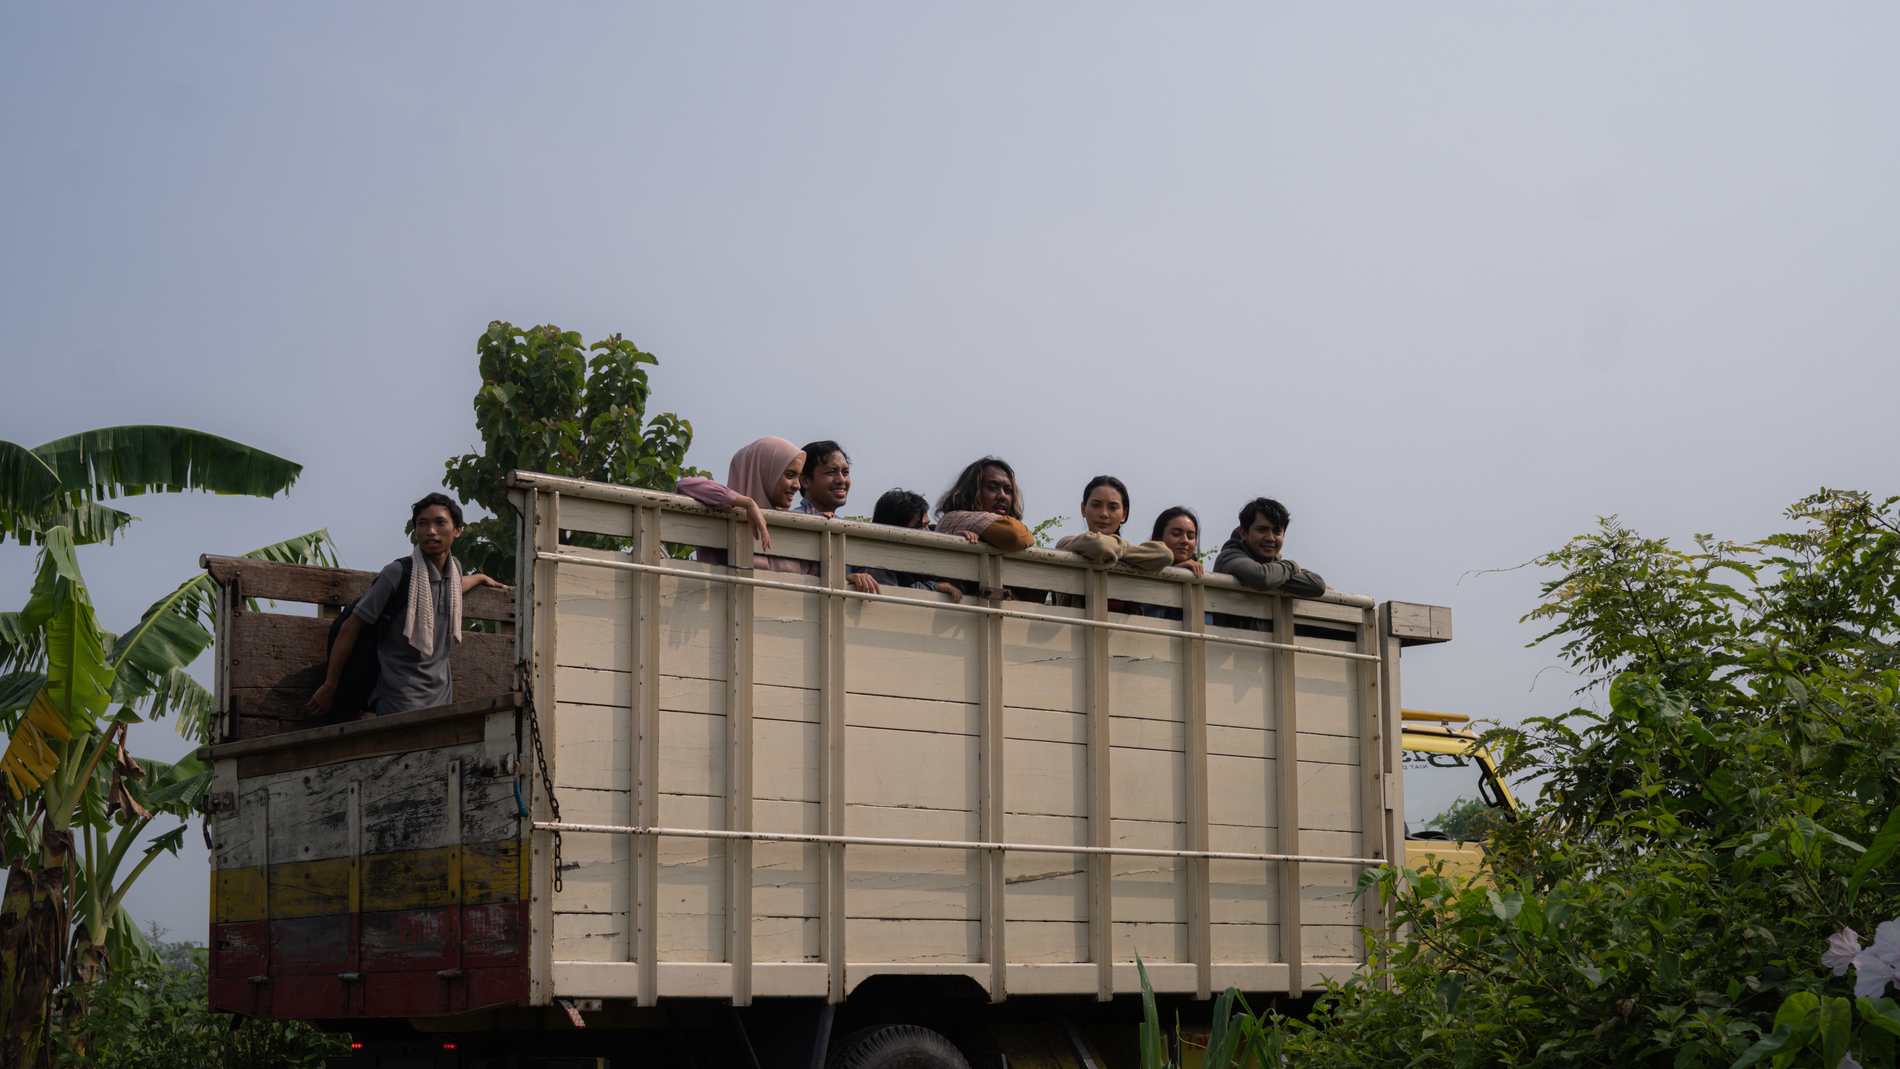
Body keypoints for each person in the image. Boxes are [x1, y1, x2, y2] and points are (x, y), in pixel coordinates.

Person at [305, 493, 508, 718]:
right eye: (423, 524)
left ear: (457, 530)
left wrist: (479, 578)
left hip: (441, 700)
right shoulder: (398, 573)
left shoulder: (453, 571)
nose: (431, 531)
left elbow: (450, 589)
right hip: (397, 699)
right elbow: (351, 626)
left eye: (440, 523)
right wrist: (330, 685)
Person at [677, 437, 876, 589]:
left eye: (797, 477)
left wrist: (844, 578)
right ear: (764, 473)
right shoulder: (726, 514)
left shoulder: (793, 525)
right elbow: (684, 485)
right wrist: (748, 504)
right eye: (789, 475)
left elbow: (814, 580)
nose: (797, 485)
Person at [848, 489, 965, 603]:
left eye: (927, 525)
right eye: (920, 526)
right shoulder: (879, 564)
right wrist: (935, 587)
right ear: (896, 530)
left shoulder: (917, 557)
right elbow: (891, 602)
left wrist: (959, 541)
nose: (929, 532)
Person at [1054, 476, 1173, 572]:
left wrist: (1117, 550)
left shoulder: (1125, 551)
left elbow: (1165, 554)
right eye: (1096, 505)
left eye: (1112, 507)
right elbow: (1100, 546)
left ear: (1124, 515)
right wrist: (1132, 552)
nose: (1104, 514)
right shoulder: (1067, 543)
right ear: (1083, 509)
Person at [1213, 497, 1325, 597]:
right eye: (1262, 530)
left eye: (1277, 532)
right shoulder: (1228, 558)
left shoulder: (1277, 567)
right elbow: (1262, 579)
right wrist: (1292, 566)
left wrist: (1274, 577)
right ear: (1244, 533)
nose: (1271, 538)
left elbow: (1317, 585)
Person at [933, 456, 1034, 551]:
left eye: (1008, 490)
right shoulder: (953, 519)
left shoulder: (995, 532)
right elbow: (1016, 535)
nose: (1002, 496)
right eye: (993, 488)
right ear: (971, 492)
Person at [1142, 506, 1205, 622]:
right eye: (1176, 534)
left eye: (1191, 536)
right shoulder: (1141, 570)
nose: (1185, 540)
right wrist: (1173, 574)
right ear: (1158, 540)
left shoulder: (1200, 578)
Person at [792, 440, 852, 517]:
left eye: (845, 472)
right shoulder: (792, 520)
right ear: (805, 480)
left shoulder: (840, 523)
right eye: (831, 472)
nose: (842, 480)